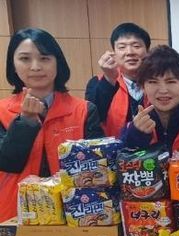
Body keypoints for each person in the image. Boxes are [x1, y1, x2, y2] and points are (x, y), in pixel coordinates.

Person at [0, 28, 104, 223]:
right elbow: (8, 163)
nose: (35, 67)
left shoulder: (84, 110)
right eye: (25, 59)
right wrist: (25, 122)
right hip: (15, 217)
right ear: (12, 65)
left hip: (76, 215)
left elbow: (98, 168)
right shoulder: (1, 111)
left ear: (58, 63)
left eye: (44, 58)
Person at [85, 22, 150, 137]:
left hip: (154, 147)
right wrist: (109, 79)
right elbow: (93, 119)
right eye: (122, 47)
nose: (129, 52)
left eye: (136, 46)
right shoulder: (98, 82)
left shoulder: (157, 82)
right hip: (115, 147)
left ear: (147, 51)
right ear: (113, 53)